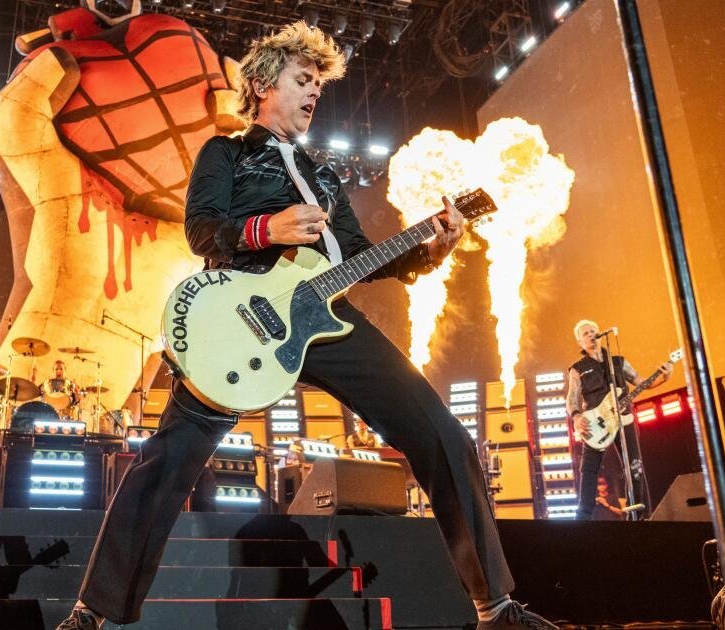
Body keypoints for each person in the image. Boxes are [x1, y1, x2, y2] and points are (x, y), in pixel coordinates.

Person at [57, 22, 555, 630]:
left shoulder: (325, 178)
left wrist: (432, 248)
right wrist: (266, 229)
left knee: (443, 434)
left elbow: (362, 257)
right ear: (264, 85)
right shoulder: (226, 154)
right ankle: (94, 613)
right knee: (166, 462)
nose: (315, 91)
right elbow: (202, 231)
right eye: (303, 79)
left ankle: (495, 609)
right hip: (240, 317)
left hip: (326, 319)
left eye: (319, 83)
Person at [566, 319, 672, 521]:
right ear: (580, 342)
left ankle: (639, 514)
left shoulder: (619, 362)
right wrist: (577, 416)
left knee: (634, 465)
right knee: (588, 468)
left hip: (624, 419)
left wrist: (664, 377)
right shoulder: (577, 369)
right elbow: (571, 398)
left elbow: (643, 383)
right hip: (596, 422)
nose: (591, 335)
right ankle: (583, 516)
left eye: (593, 331)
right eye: (586, 333)